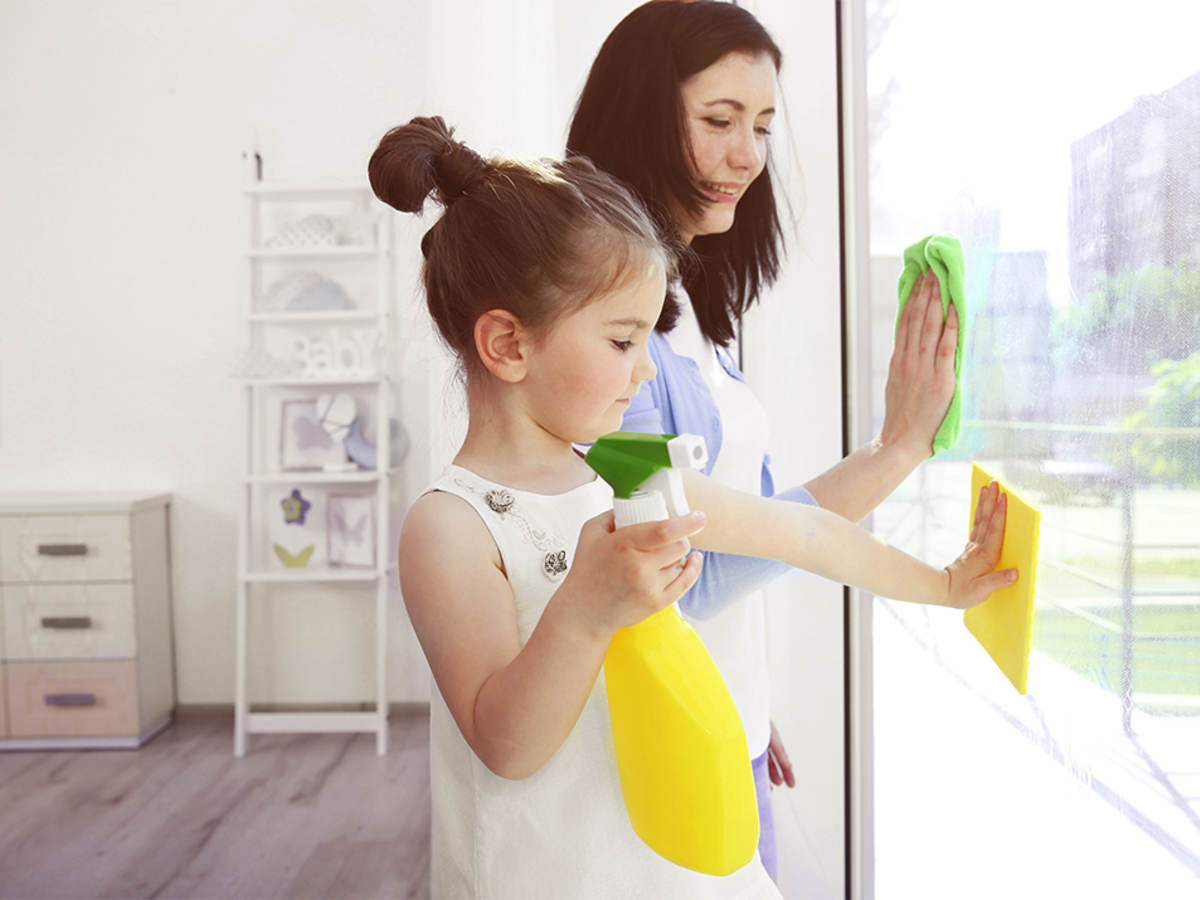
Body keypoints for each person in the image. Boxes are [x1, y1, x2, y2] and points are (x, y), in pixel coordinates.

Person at [370, 115, 1013, 899]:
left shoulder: (628, 475)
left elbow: (800, 530)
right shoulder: (450, 527)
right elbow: (505, 744)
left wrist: (944, 585)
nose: (644, 373)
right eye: (621, 341)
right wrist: (584, 609)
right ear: (508, 344)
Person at [567, 1, 961, 877]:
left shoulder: (702, 316)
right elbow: (685, 567)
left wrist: (748, 692)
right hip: (667, 750)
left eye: (763, 126)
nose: (748, 155)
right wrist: (895, 450)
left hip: (727, 720)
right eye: (719, 121)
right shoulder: (608, 337)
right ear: (641, 115)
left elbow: (745, 532)